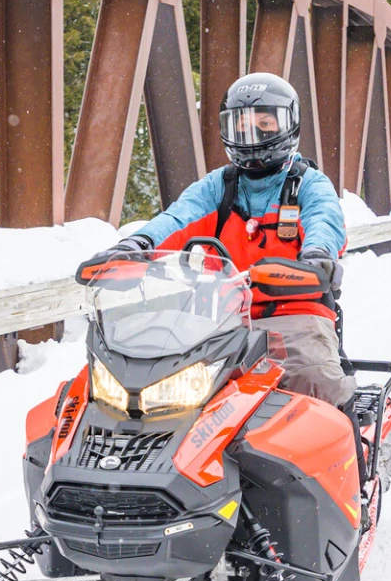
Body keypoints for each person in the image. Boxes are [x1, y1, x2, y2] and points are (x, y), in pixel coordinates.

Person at [81, 73, 354, 406]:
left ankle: (347, 450)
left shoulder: (309, 184)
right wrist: (134, 246)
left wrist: (316, 255)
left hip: (294, 312)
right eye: (241, 125)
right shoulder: (219, 186)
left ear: (289, 126)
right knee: (157, 388)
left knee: (314, 382)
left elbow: (325, 219)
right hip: (220, 319)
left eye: (265, 123)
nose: (252, 134)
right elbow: (177, 218)